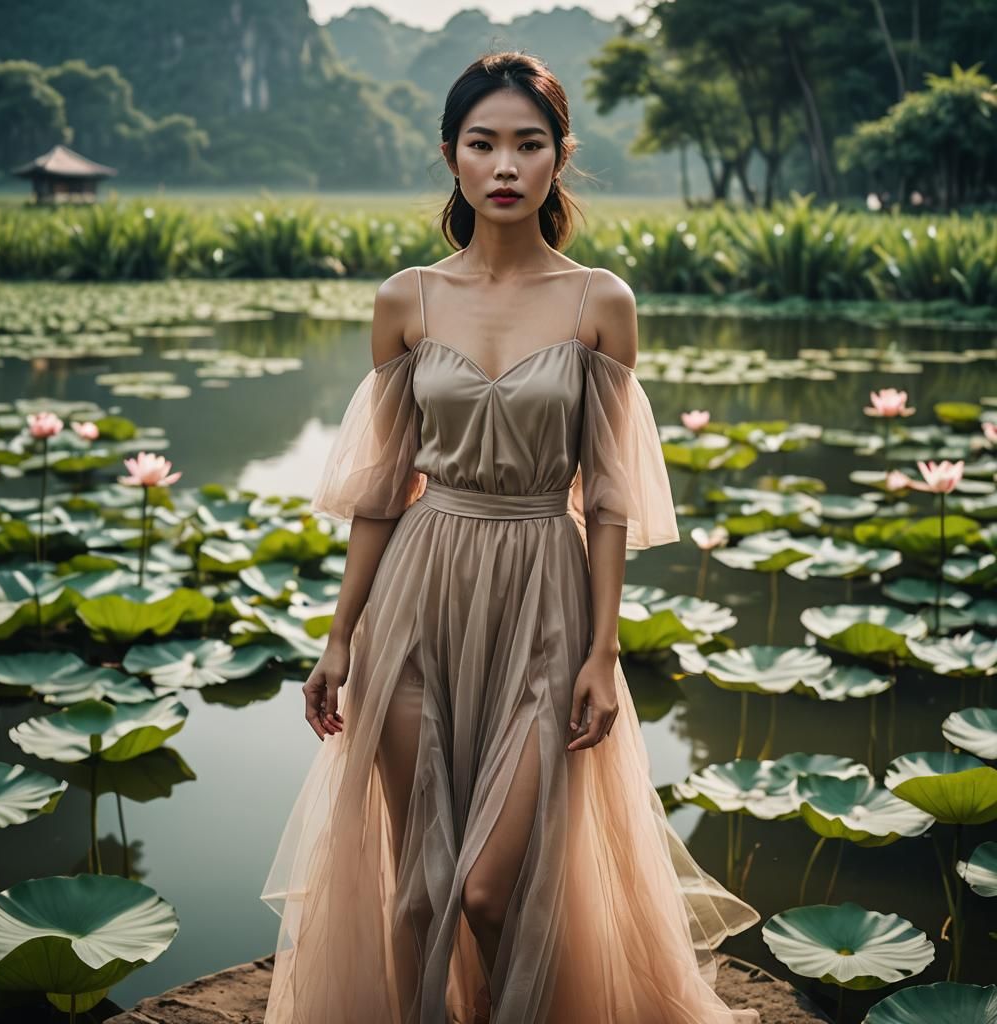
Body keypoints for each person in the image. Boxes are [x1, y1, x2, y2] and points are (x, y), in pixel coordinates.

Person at [261, 50, 761, 1024]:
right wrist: (336, 635)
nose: (503, 163)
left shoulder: (597, 302)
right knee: (417, 885)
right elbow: (379, 489)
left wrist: (601, 650)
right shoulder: (406, 298)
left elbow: (609, 498)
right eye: (482, 143)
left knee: (488, 891)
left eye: (526, 144)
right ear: (450, 156)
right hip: (418, 586)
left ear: (557, 158)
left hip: (545, 587)